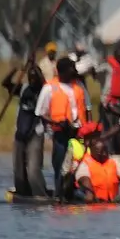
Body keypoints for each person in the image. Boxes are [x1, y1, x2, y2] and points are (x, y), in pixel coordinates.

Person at [36, 55, 89, 193]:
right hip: (61, 133)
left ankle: (76, 193)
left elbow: (85, 109)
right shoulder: (49, 88)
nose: (74, 71)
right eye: (71, 69)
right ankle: (60, 195)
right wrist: (57, 122)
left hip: (79, 133)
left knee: (80, 164)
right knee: (61, 165)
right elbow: (41, 113)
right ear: (63, 71)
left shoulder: (79, 86)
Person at [1, 61, 48, 198]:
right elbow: (5, 83)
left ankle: (40, 195)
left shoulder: (45, 90)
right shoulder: (23, 88)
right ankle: (22, 193)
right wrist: (16, 69)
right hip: (20, 134)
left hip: (35, 134)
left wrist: (35, 70)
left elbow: (44, 82)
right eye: (31, 78)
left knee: (33, 169)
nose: (33, 81)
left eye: (35, 78)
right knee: (19, 170)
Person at [71, 125, 120, 202]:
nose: (105, 154)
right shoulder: (85, 161)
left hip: (113, 201)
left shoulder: (113, 160)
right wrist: (89, 192)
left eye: (106, 151)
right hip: (93, 200)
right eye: (101, 152)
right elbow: (83, 177)